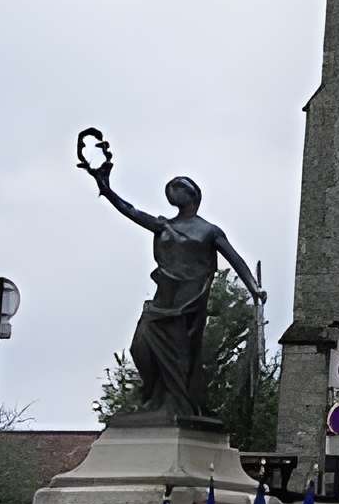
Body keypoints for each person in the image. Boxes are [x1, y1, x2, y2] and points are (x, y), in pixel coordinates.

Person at [83, 137, 262, 426]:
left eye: (178, 187)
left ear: (192, 195)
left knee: (180, 354)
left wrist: (254, 287)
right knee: (140, 346)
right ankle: (156, 398)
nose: (172, 191)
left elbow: (236, 259)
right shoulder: (164, 225)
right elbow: (131, 211)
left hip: (189, 302)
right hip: (164, 298)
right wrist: (106, 188)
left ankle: (177, 403)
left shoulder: (208, 231)